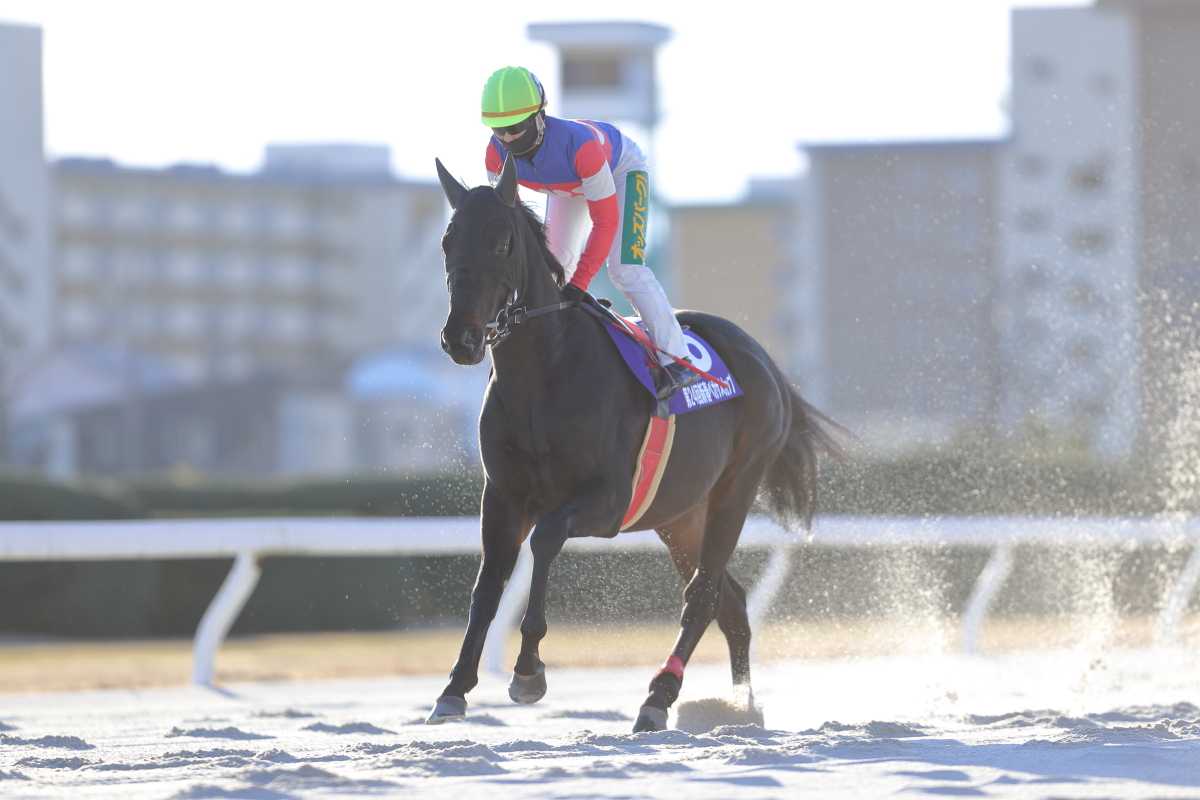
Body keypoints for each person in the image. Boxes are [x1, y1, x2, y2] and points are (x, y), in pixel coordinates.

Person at [481, 65, 699, 400]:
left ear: (539, 117)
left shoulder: (581, 147)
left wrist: (580, 285)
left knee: (625, 268)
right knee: (553, 275)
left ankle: (677, 358)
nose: (508, 139)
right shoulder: (494, 156)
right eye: (499, 130)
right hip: (567, 188)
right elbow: (512, 227)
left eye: (515, 128)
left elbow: (606, 223)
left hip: (620, 172)